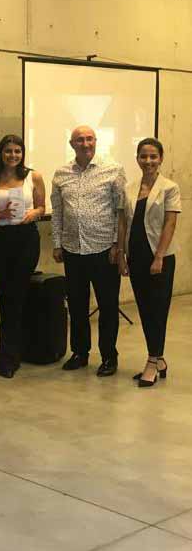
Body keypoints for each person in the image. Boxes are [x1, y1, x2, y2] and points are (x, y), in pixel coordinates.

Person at [51, 125, 126, 376]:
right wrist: (57, 243)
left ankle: (109, 357)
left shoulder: (113, 170)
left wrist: (117, 245)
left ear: (95, 141)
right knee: (77, 306)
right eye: (80, 140)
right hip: (73, 249)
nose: (85, 144)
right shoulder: (61, 174)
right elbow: (58, 212)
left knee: (108, 307)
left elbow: (120, 212)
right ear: (71, 144)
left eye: (89, 139)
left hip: (104, 250)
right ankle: (80, 353)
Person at [117, 138, 181, 387]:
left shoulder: (170, 187)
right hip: (136, 256)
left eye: (153, 156)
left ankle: (152, 361)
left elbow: (170, 223)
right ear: (137, 158)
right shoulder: (130, 188)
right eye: (143, 156)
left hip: (160, 256)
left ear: (161, 158)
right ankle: (158, 359)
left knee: (158, 309)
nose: (148, 161)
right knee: (144, 308)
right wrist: (121, 253)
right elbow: (124, 222)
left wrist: (159, 257)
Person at [0, 135, 46, 378]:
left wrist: (34, 214)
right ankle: (13, 352)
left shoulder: (34, 176)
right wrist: (0, 214)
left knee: (16, 296)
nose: (13, 155)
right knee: (5, 297)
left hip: (25, 240)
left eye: (17, 151)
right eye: (8, 151)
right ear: (1, 153)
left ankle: (7, 358)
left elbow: (42, 207)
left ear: (23, 153)